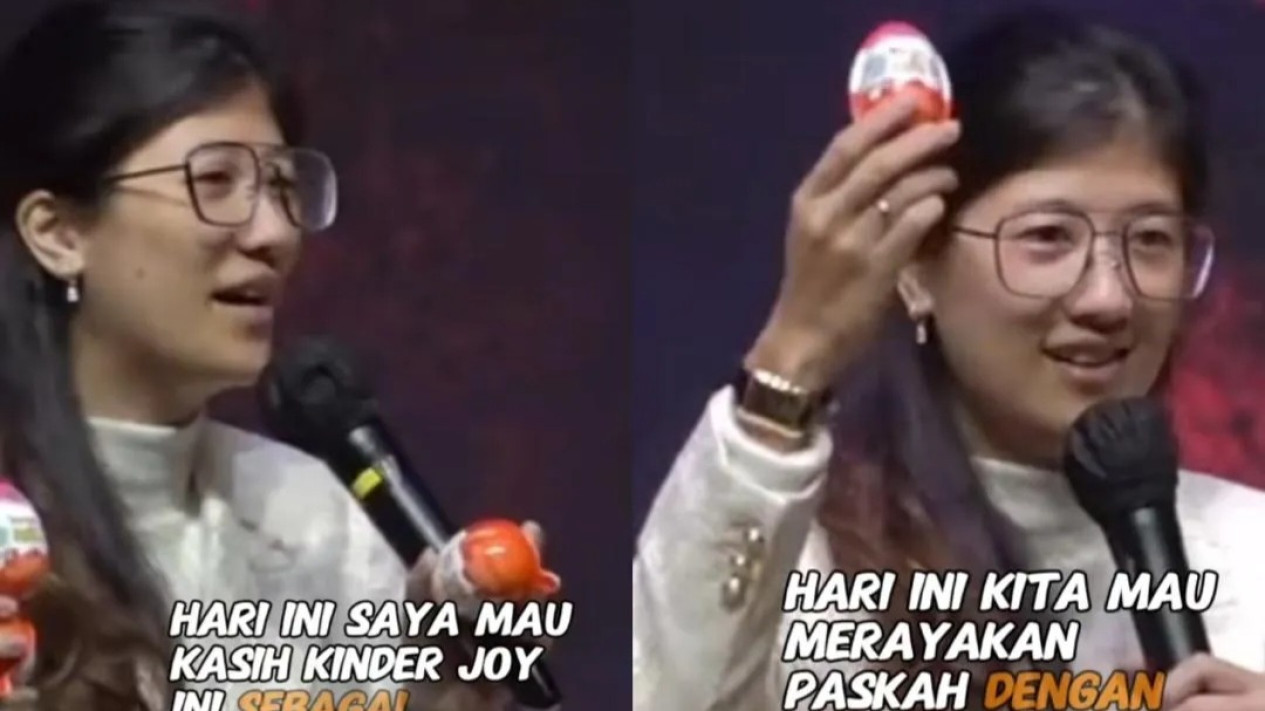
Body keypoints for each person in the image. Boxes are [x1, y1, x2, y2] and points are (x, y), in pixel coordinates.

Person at [633, 9, 1265, 711]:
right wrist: (793, 355)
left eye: (1150, 240)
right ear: (914, 266)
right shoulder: (798, 557)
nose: (1108, 298)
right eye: (1048, 236)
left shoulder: (1250, 553)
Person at [0, 1, 555, 709]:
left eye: (284, 187)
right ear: (58, 233)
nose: (273, 233)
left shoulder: (315, 519)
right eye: (214, 182)